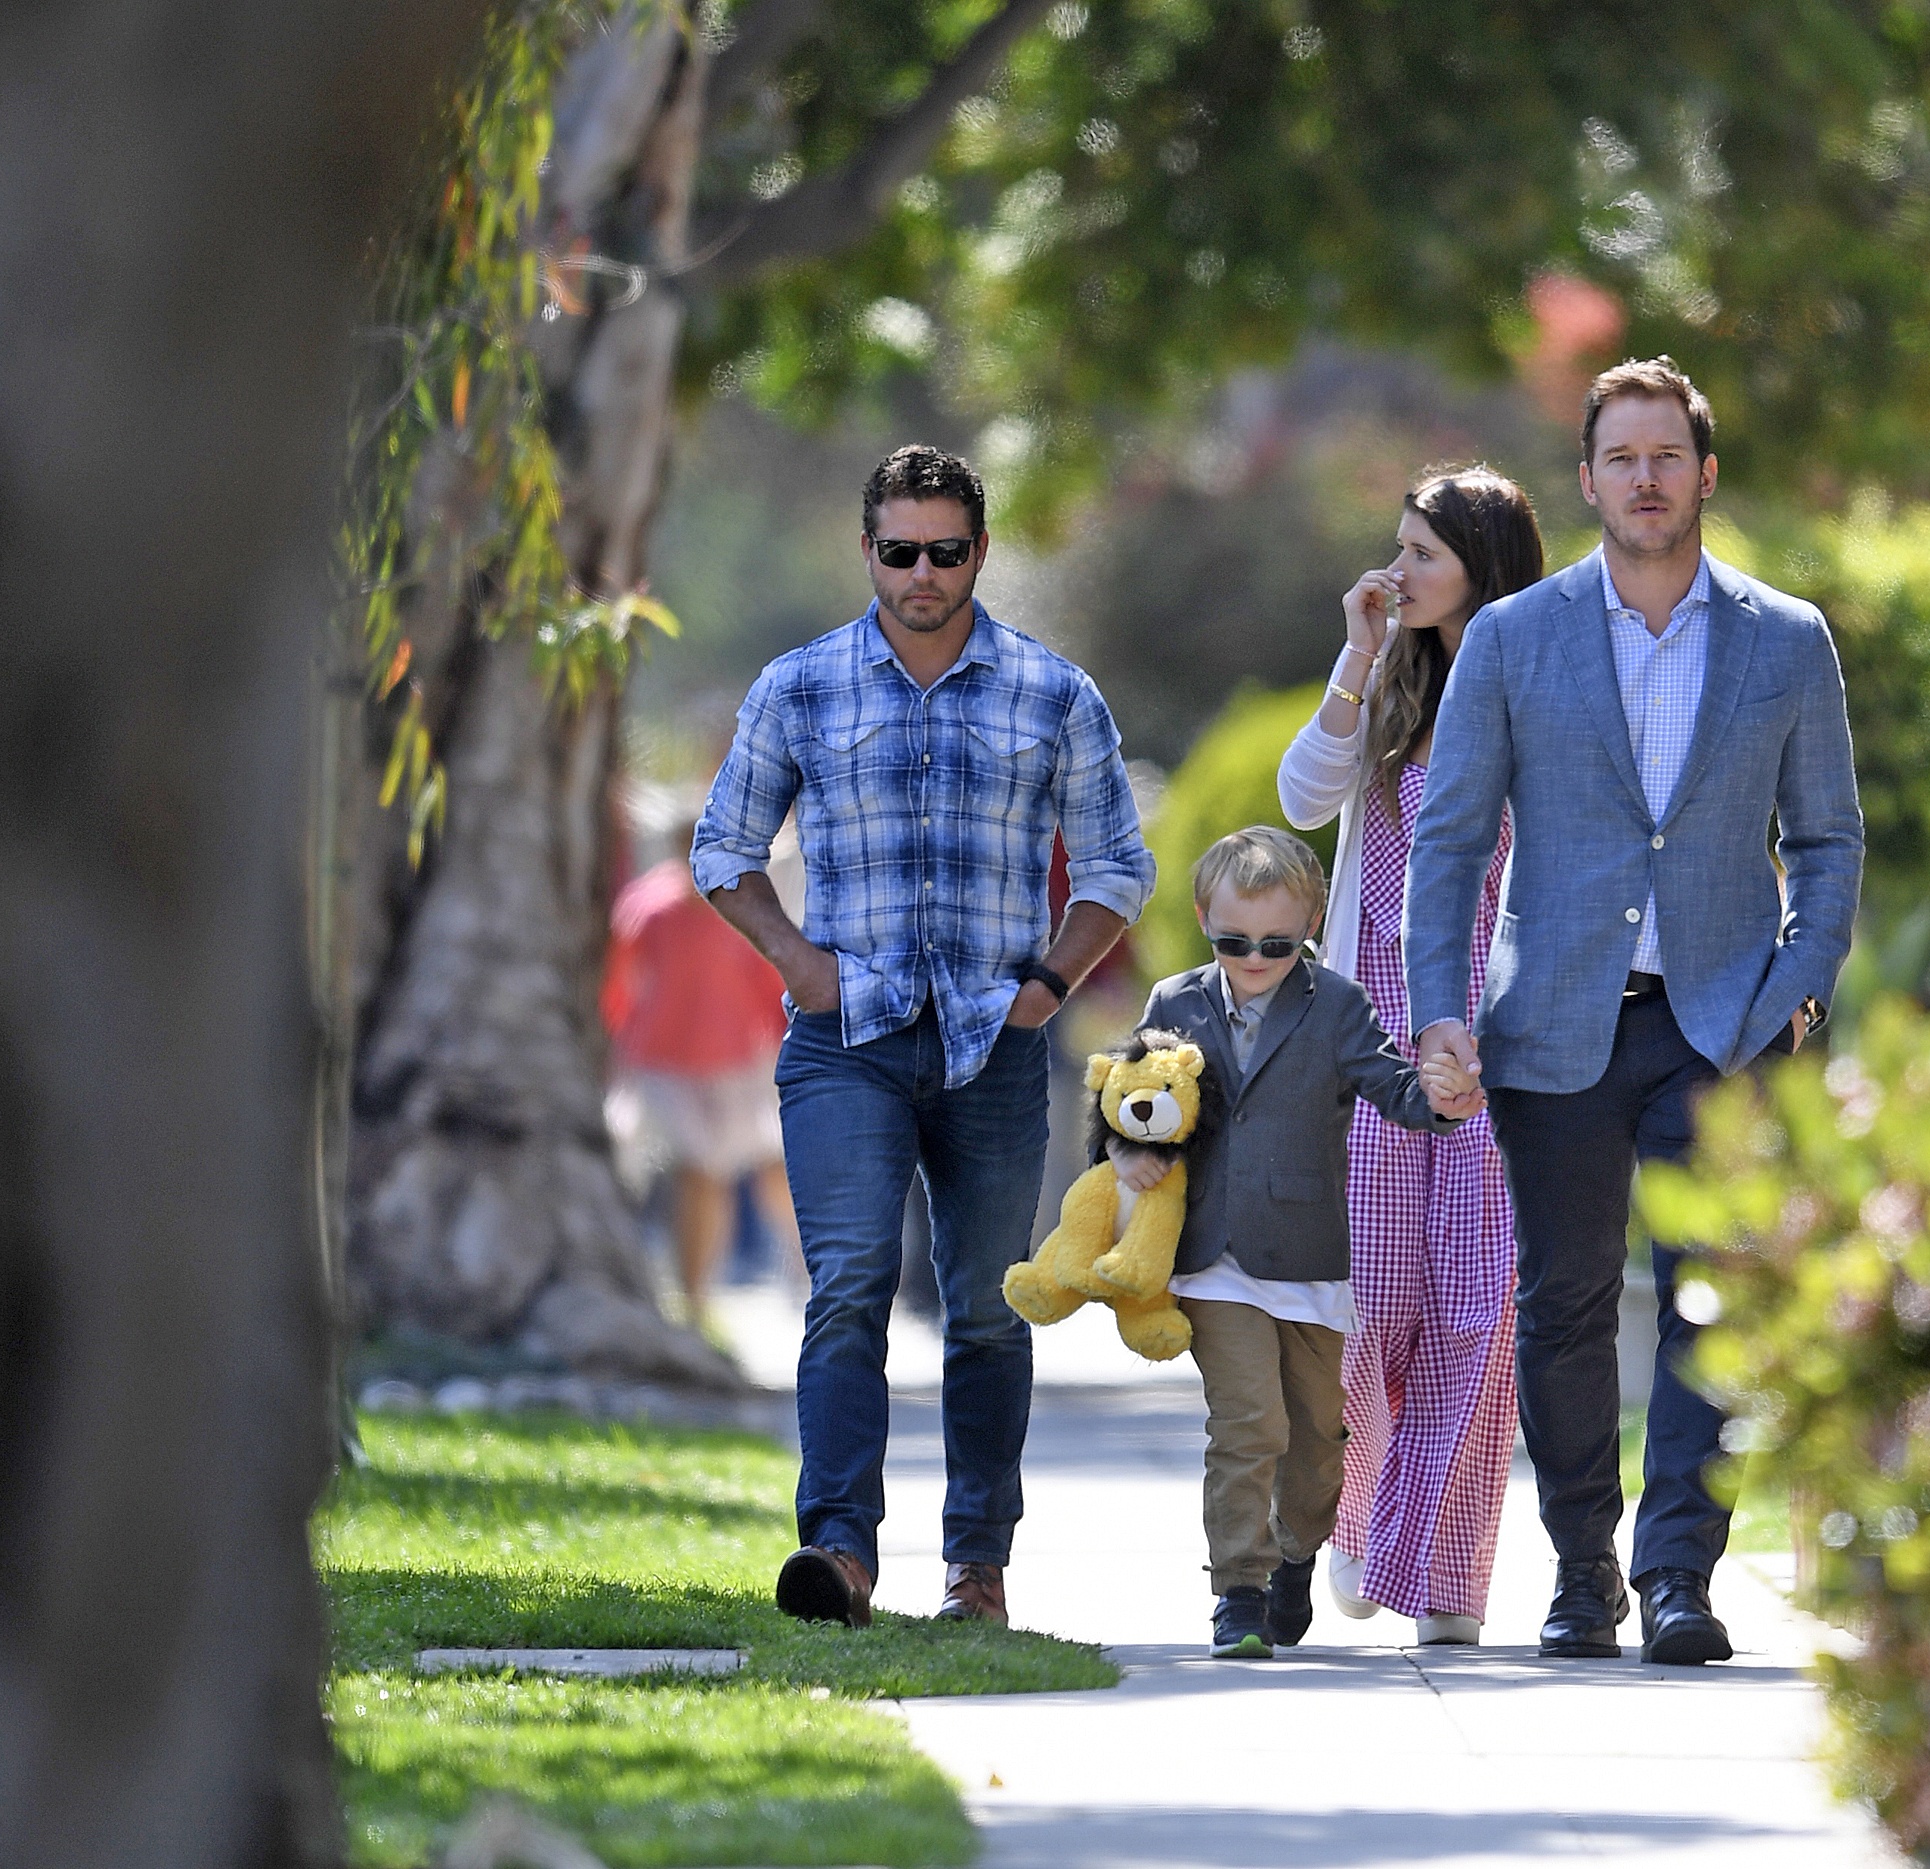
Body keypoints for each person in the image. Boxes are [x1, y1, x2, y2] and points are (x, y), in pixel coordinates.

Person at [1405, 358, 1865, 1666]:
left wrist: (1796, 989)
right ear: (1589, 477)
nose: (1646, 479)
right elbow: (1446, 846)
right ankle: (1582, 1570)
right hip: (1553, 1019)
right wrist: (1441, 1009)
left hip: (1720, 1021)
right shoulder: (1513, 637)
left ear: (1704, 474)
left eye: (1668, 456)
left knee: (1708, 1302)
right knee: (1560, 1304)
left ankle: (1677, 1575)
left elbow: (1827, 842)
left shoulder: (1785, 638)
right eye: (1622, 457)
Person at [692, 443, 1156, 1632]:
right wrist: (801, 965)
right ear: (868, 552)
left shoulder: (1055, 693)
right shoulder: (800, 686)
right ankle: (837, 1553)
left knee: (988, 1306)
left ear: (980, 554)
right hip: (847, 1042)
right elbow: (722, 851)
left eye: (946, 552)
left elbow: (1118, 867)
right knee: (847, 1285)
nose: (923, 575)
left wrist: (1048, 987)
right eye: (900, 551)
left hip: (994, 1046)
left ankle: (976, 1566)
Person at [1276, 467, 1543, 1646]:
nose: (1400, 571)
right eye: (1398, 548)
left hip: (1495, 1041)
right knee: (1376, 1306)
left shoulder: (1541, 688)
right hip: (1378, 1047)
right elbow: (1300, 793)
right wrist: (1356, 650)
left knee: (1481, 1320)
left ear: (1482, 568)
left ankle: (1443, 1579)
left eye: (1424, 554)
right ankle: (1367, 1524)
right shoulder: (1388, 681)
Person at [1106, 828, 1480, 1658]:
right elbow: (1128, 1091)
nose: (1251, 958)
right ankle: (1237, 1589)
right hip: (1213, 1254)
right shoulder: (1175, 1002)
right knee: (1248, 1422)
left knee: (1316, 1440)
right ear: (1204, 918)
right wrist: (1128, 1149)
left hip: (1308, 1257)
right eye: (1231, 941)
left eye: (1275, 944)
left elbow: (1391, 1084)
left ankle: (1295, 1551)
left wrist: (1440, 1097)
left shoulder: (1336, 1004)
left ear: (1311, 923)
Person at [602, 814, 800, 1324]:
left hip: (736, 1064)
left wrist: (784, 1050)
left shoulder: (739, 906)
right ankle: (694, 1302)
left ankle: (803, 1271)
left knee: (774, 1170)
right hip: (665, 1066)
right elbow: (619, 984)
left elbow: (764, 981)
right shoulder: (647, 907)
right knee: (700, 1175)